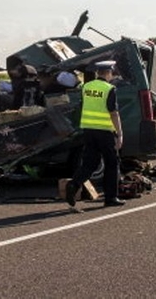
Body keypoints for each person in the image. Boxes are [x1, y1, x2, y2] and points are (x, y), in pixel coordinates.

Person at [65, 61, 125, 209]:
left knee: (89, 163)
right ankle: (111, 198)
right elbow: (113, 113)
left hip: (88, 130)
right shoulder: (109, 88)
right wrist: (119, 134)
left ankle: (74, 184)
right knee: (111, 163)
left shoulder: (86, 87)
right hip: (105, 131)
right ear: (108, 73)